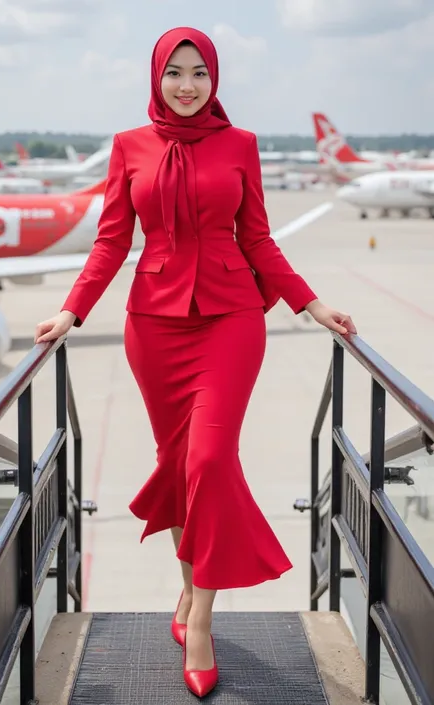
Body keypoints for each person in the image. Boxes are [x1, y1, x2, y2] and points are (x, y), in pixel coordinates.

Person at [35, 26, 357, 699]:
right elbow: (109, 243)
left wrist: (311, 303)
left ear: (215, 80)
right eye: (175, 72)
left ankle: (202, 618)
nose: (187, 85)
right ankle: (188, 591)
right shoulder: (129, 147)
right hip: (152, 325)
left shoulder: (239, 145)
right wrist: (72, 311)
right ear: (156, 77)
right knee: (180, 466)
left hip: (232, 320)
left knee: (209, 459)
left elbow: (259, 240)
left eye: (200, 73)